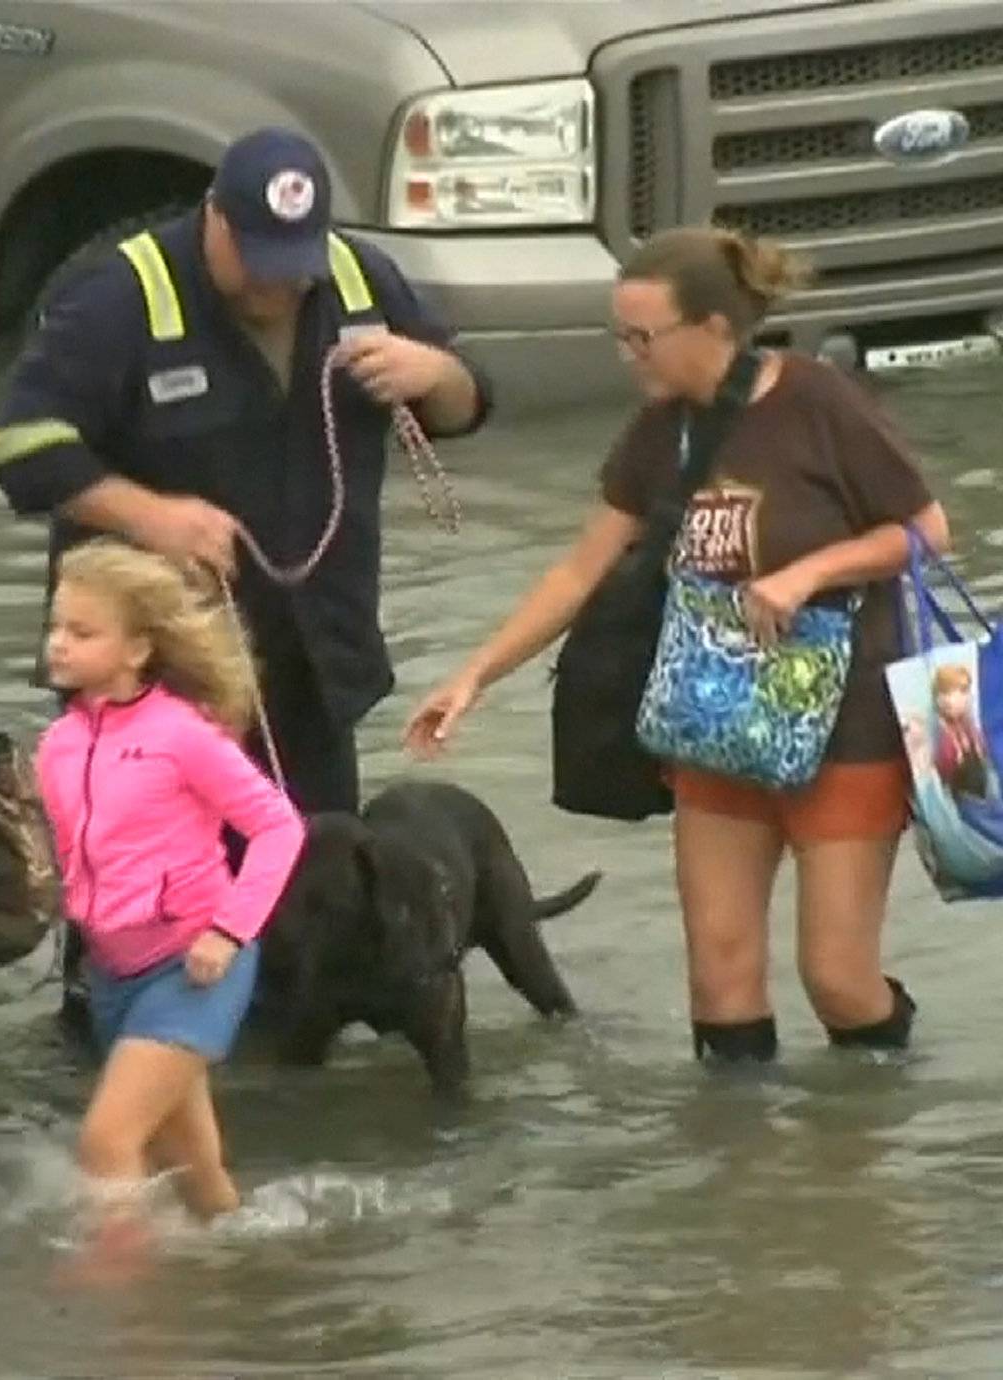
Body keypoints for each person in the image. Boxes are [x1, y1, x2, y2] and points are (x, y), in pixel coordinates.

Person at [404, 227, 952, 1064]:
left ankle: (864, 1144)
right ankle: (737, 1168)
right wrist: (474, 676)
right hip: (714, 721)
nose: (628, 357)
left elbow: (925, 531)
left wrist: (808, 573)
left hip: (847, 727)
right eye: (618, 336)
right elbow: (581, 570)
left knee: (836, 977)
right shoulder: (661, 430)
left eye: (643, 338)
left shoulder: (818, 402)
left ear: (716, 330)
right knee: (719, 980)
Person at [0, 125, 489, 1026]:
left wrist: (436, 371)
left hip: (311, 655)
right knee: (147, 896)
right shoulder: (115, 295)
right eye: (255, 260)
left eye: (294, 266)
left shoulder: (360, 279)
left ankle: (290, 1072)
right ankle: (116, 1053)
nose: (275, 285)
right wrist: (150, 515)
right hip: (160, 673)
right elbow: (19, 447)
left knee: (313, 883)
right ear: (212, 218)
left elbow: (466, 404)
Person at [34, 539, 304, 1272]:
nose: (58, 643)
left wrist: (228, 928)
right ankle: (253, 1273)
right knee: (191, 1164)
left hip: (194, 965)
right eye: (56, 626)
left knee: (106, 1142)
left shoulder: (183, 737)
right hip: (113, 971)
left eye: (82, 632)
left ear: (138, 649)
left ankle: (133, 1315)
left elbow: (279, 827)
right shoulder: (56, 744)